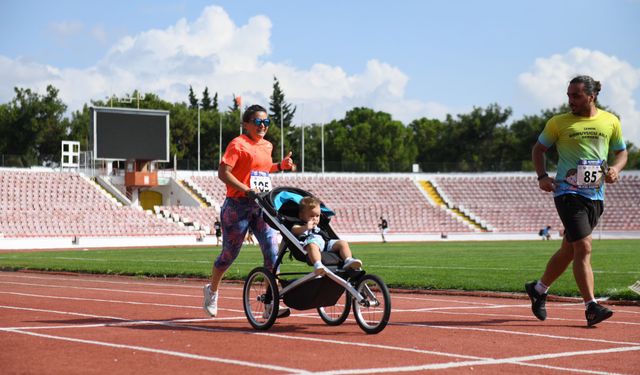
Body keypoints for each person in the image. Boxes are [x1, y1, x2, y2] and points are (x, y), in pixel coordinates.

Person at [526, 75, 627, 327]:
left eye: (576, 96)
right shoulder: (558, 123)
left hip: (596, 195)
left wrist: (616, 169)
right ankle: (591, 306)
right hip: (567, 193)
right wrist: (541, 176)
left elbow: (622, 152)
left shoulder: (610, 121)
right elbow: (539, 149)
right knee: (583, 246)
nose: (570, 100)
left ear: (591, 96)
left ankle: (538, 289)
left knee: (568, 250)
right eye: (568, 95)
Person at [203, 104, 294, 318]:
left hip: (262, 205)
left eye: (266, 122)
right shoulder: (237, 144)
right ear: (246, 125)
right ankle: (212, 291)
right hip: (237, 206)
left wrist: (280, 165)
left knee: (272, 253)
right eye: (258, 122)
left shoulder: (267, 146)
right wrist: (246, 189)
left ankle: (271, 304)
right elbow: (223, 173)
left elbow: (261, 168)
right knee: (229, 255)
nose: (263, 126)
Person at [291, 196, 362, 275]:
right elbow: (294, 230)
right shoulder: (299, 224)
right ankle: (318, 264)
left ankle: (348, 260)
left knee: (342, 243)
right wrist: (305, 227)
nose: (315, 218)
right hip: (313, 244)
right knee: (312, 246)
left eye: (317, 216)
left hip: (326, 243)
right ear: (301, 215)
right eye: (311, 216)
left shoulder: (320, 225)